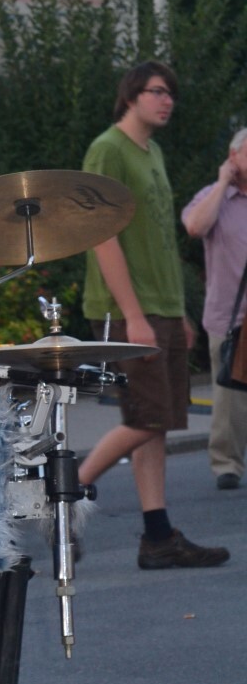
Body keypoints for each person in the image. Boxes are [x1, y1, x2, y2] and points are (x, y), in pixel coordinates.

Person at [77, 61, 228, 569]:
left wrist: (177, 310)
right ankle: (67, 492)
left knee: (157, 424)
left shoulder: (153, 152)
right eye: (158, 91)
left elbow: (160, 237)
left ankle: (158, 536)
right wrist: (134, 314)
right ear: (131, 96)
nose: (167, 101)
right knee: (150, 417)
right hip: (129, 309)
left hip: (162, 306)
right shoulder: (108, 149)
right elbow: (102, 236)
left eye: (171, 94)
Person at [181, 127, 247, 490]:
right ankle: (227, 465)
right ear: (233, 156)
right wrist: (223, 182)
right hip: (231, 315)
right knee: (229, 399)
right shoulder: (214, 197)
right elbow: (194, 226)